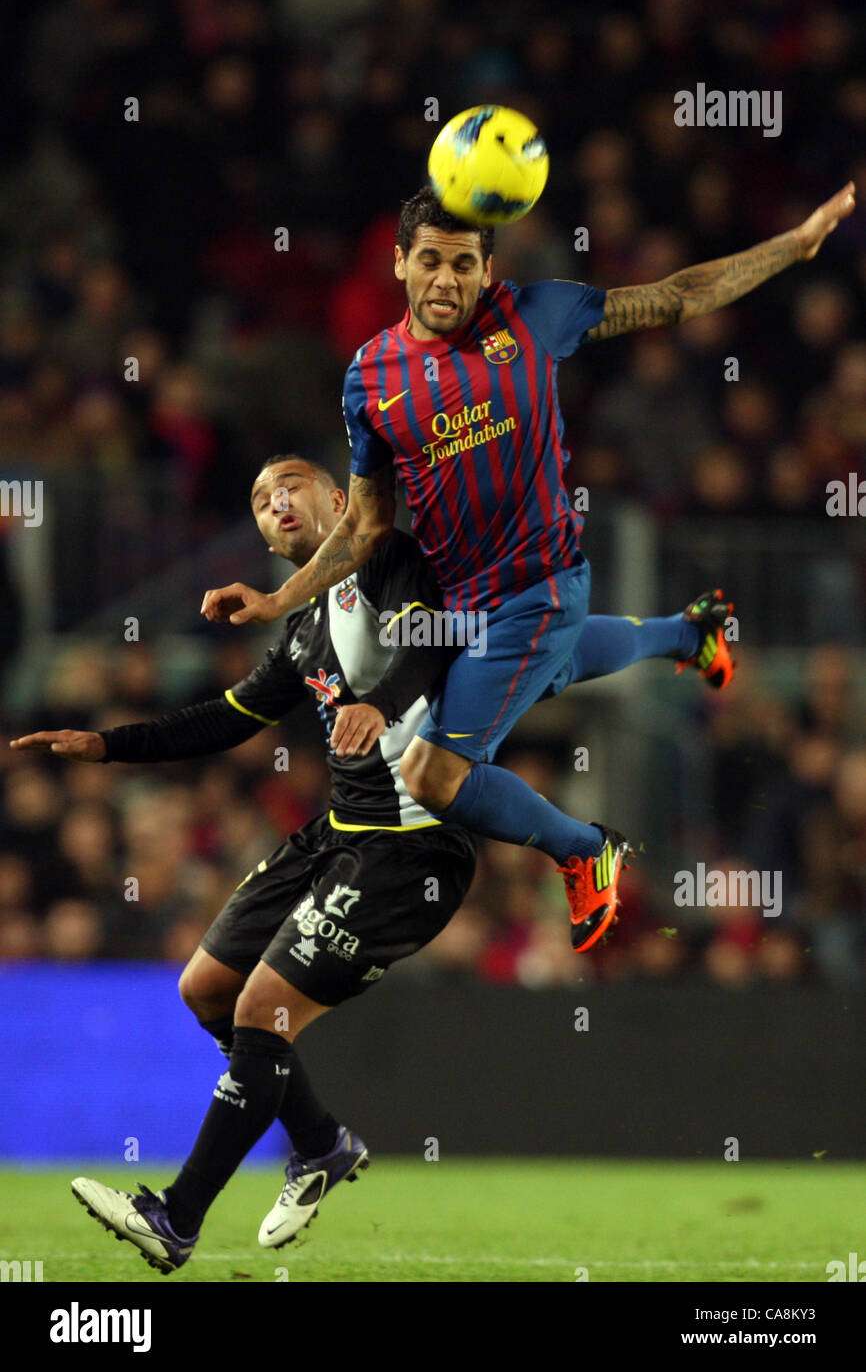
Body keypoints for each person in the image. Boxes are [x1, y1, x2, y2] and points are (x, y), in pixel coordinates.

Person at [12, 455, 731, 1273]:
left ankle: (175, 1217)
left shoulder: (388, 558)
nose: (275, 501)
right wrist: (105, 745)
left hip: (412, 847)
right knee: (205, 989)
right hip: (337, 833)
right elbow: (221, 721)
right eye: (256, 498)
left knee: (261, 1009)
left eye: (291, 485)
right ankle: (319, 1145)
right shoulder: (303, 630)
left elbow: (425, 645)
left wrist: (379, 705)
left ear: (335, 497)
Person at [199, 180, 855, 948]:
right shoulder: (370, 377)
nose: (448, 279)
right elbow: (367, 525)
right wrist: (282, 603)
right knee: (556, 668)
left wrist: (793, 244)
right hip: (461, 601)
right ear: (402, 265)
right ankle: (690, 634)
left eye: (465, 264)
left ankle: (587, 850)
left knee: (429, 775)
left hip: (539, 586)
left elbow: (674, 297)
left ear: (487, 270)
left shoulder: (534, 315)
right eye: (432, 261)